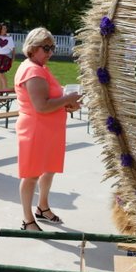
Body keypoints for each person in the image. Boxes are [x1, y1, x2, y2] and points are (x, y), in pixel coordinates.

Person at [14, 27, 82, 231]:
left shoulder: (40, 67)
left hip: (49, 130)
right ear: (32, 48)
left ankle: (42, 207)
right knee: (31, 175)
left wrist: (67, 104)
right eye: (46, 48)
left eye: (53, 47)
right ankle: (27, 220)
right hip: (36, 130)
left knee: (48, 170)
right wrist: (68, 99)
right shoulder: (32, 70)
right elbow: (41, 106)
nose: (50, 52)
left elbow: (50, 100)